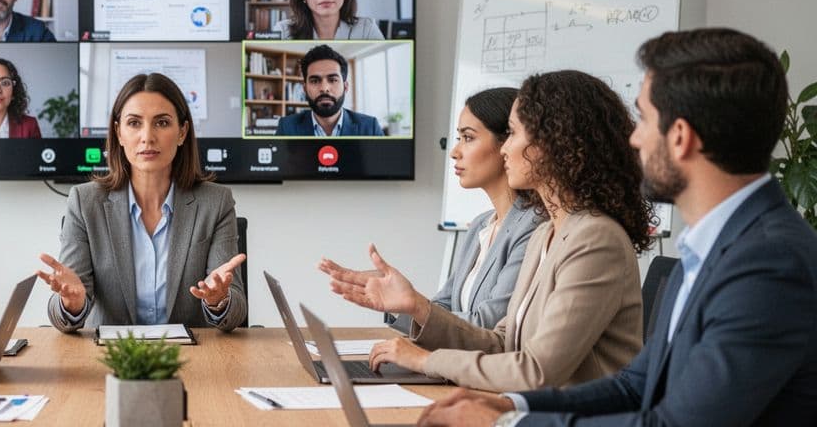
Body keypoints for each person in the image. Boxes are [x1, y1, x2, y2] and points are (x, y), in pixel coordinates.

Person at [406, 29, 817, 427]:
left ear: (681, 138)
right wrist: (510, 404)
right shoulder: (719, 245)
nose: (633, 140)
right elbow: (634, 386)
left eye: (644, 119)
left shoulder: (768, 264)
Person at [328, 70, 651, 392]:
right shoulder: (547, 234)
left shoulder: (595, 239)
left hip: (575, 426)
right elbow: (503, 344)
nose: (505, 149)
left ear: (554, 142)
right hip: (536, 414)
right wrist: (413, 304)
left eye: (512, 134)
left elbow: (536, 371)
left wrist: (425, 361)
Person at [40, 73, 248, 332]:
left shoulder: (215, 202)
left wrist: (219, 301)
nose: (147, 137)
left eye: (162, 122)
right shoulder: (84, 201)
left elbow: (236, 310)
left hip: (190, 360)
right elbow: (63, 312)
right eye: (134, 123)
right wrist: (72, 303)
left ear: (182, 132)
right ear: (119, 133)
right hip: (112, 358)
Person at [320, 87, 541, 332]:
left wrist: (414, 304)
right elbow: (443, 306)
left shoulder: (533, 228)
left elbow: (487, 328)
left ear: (506, 142)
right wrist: (400, 300)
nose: (455, 152)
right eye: (458, 139)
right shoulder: (481, 225)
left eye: (468, 138)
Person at [275, 44, 384, 136]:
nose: (324, 88)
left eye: (332, 80)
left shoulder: (370, 128)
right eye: (315, 81)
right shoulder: (286, 127)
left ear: (346, 87)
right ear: (304, 88)